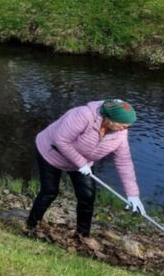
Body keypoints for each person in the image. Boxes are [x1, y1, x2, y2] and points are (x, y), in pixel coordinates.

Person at [26, 99, 145, 238]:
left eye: (128, 127)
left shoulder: (120, 135)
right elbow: (61, 140)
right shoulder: (83, 115)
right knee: (49, 192)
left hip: (82, 164)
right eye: (123, 126)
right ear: (109, 119)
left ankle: (82, 236)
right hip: (51, 153)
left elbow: (124, 162)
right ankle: (30, 226)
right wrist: (81, 163)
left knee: (87, 196)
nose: (124, 130)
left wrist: (132, 194)